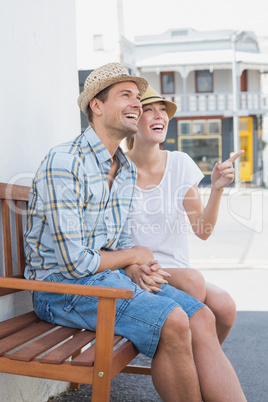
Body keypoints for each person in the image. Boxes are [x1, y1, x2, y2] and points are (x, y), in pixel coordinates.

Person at [24, 63, 246, 401]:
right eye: (125, 95)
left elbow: (121, 239)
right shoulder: (64, 162)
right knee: (173, 320)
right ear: (96, 106)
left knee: (201, 316)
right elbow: (72, 263)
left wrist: (133, 265)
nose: (137, 104)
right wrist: (134, 257)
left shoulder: (124, 169)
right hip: (59, 289)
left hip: (107, 279)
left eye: (137, 97)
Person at [126, 85, 245, 345]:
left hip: (175, 268)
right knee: (193, 281)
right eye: (149, 110)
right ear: (133, 119)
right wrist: (130, 265)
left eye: (163, 111)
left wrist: (216, 189)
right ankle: (192, 371)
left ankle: (199, 364)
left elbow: (203, 231)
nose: (159, 116)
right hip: (135, 269)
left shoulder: (180, 163)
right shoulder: (116, 168)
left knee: (225, 308)